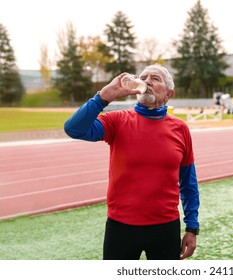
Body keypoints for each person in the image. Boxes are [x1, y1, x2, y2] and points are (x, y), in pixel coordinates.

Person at [64, 64, 200, 260]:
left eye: (155, 78)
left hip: (165, 228)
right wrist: (104, 96)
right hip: (121, 227)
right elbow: (73, 129)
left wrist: (192, 228)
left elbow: (189, 183)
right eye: (143, 77)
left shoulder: (180, 129)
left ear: (169, 94)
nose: (147, 81)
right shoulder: (117, 121)